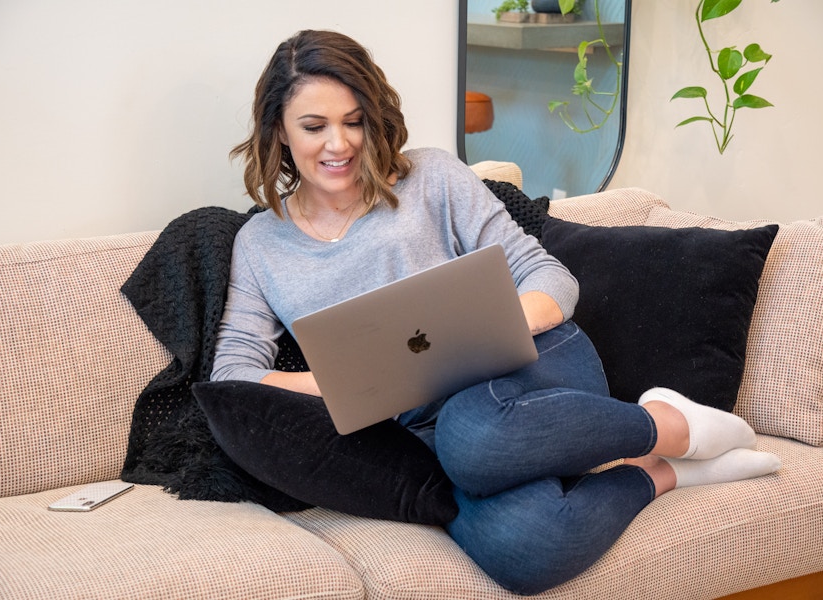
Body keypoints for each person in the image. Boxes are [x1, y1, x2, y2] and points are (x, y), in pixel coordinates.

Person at [211, 29, 781, 595]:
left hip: (531, 365)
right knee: (527, 548)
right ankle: (661, 473)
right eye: (314, 127)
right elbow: (234, 377)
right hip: (425, 424)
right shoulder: (263, 245)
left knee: (473, 440)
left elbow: (550, 278)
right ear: (279, 132)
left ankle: (670, 425)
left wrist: (484, 330)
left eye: (354, 120)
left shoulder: (430, 177)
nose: (340, 144)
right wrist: (349, 382)